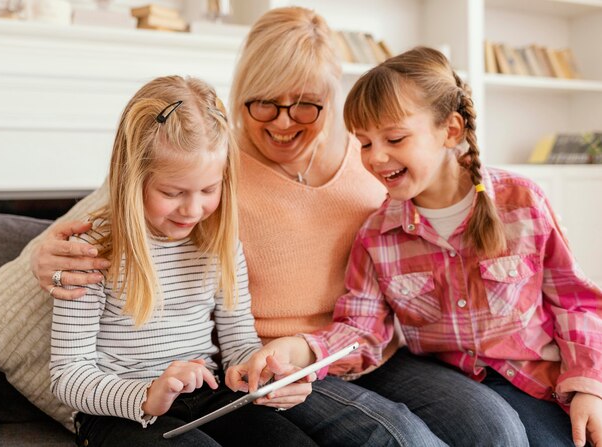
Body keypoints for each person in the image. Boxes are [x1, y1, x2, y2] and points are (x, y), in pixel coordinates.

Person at [33, 8, 527, 447]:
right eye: (263, 103)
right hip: (268, 363)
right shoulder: (207, 166)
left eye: (306, 104)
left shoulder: (372, 161)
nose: (284, 122)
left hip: (360, 348)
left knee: (493, 428)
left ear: (331, 99)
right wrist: (44, 259)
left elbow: (444, 221)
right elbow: (116, 216)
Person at [238, 46, 602, 447]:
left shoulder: (522, 202)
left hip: (544, 381)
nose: (376, 158)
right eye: (364, 143)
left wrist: (589, 386)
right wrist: (297, 349)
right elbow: (362, 331)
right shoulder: (378, 234)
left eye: (394, 138)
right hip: (456, 385)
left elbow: (575, 303)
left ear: (451, 130)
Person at [49, 75, 320, 447]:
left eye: (209, 189)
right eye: (172, 192)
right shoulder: (90, 252)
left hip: (209, 397)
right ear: (133, 178)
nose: (193, 209)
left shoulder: (219, 244)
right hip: (119, 413)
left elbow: (239, 346)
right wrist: (145, 396)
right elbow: (68, 375)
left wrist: (266, 376)